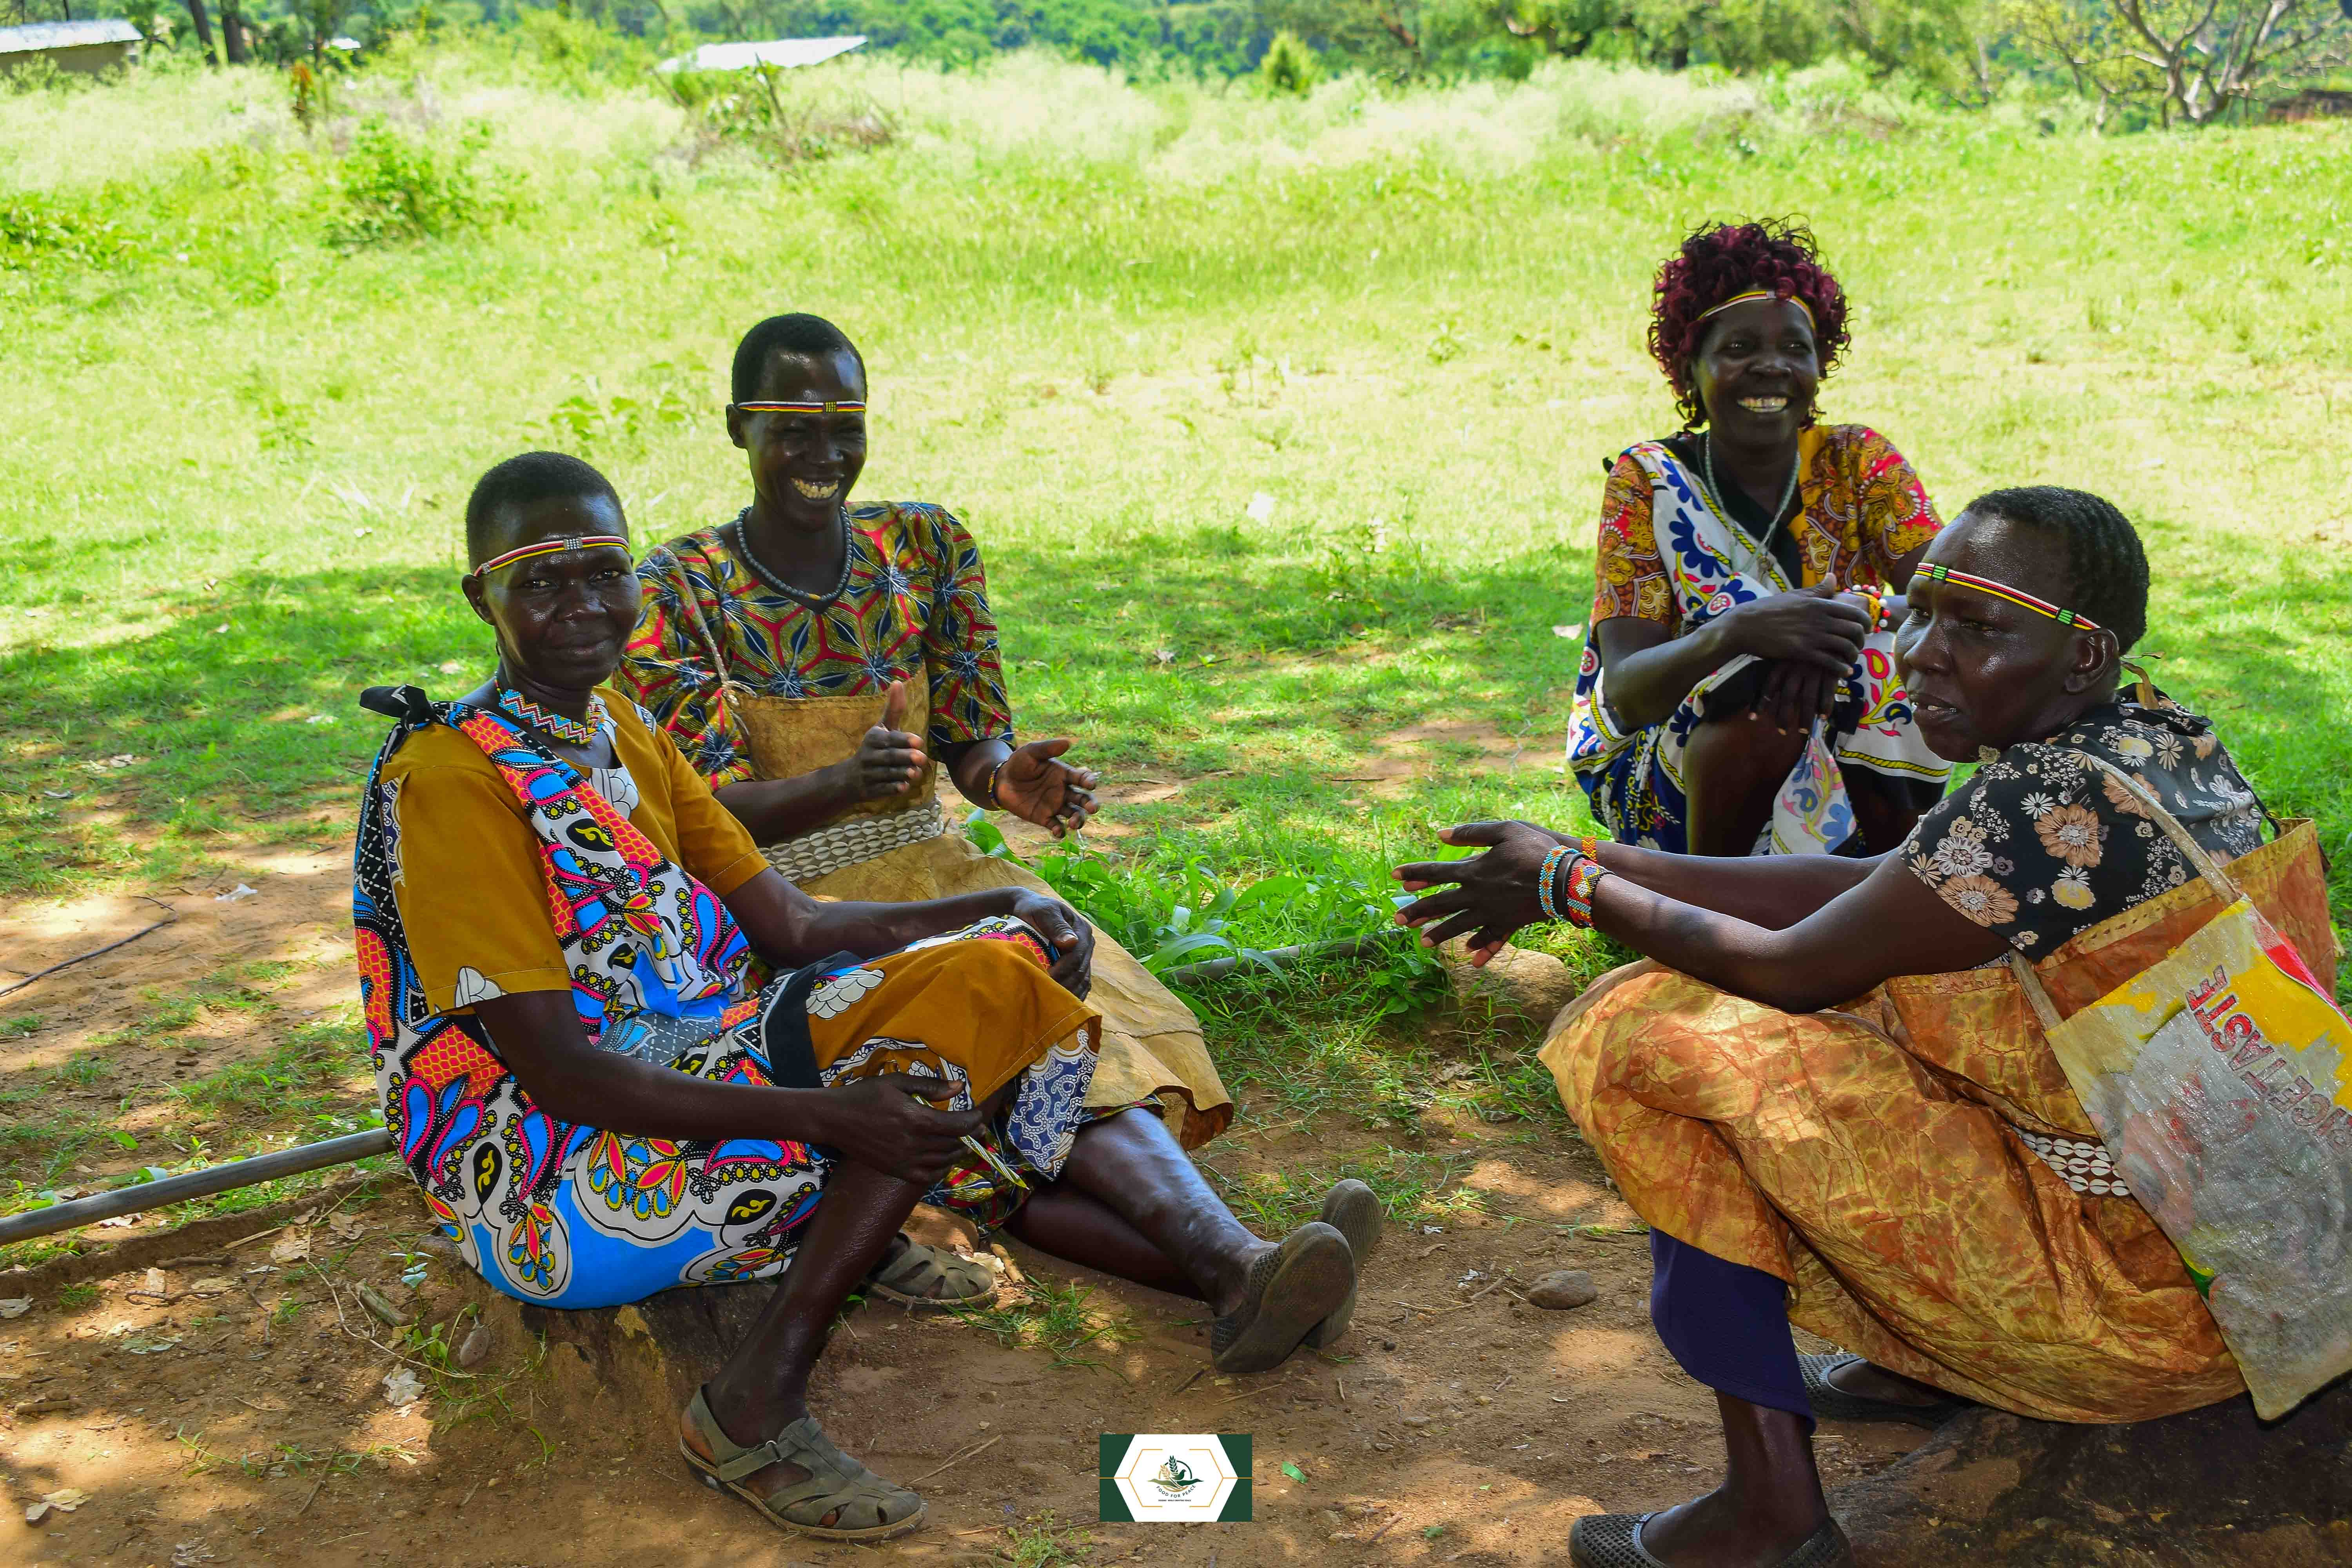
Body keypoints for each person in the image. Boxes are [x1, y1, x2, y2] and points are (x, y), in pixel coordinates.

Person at [352, 452, 1380, 1543]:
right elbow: (560, 1072)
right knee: (909, 1092)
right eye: (541, 577)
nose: (582, 604)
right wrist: (828, 1116)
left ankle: (1239, 1285)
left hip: (693, 1076)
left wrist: (998, 914)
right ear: (483, 597)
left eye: (603, 571)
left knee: (990, 982)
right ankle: (754, 1399)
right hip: (555, 1180)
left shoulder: (619, 730)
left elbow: (791, 926)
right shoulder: (454, 778)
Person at [1394, 488, 2334, 1568]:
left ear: (2083, 657)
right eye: (1920, 609)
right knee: (1892, 1005)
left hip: (2147, 1318)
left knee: (1644, 1030)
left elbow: (1796, 967)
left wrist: (1571, 887)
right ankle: (1922, 1366)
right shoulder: (2149, 741)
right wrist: (1596, 858)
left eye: (1977, 627)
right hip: (2261, 1272)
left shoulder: (2035, 802)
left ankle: (1769, 1513)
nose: (1925, 654)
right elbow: (1867, 886)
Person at [617, 312, 1233, 1189]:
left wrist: (1002, 778)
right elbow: (702, 808)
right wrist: (842, 783)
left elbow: (970, 735)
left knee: (1083, 1013)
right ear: (737, 429)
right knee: (982, 1049)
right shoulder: (679, 587)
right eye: (793, 430)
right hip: (783, 907)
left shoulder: (924, 545)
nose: (823, 455)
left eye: (845, 429)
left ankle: (1229, 1258)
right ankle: (1226, 1256)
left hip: (934, 868)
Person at [1573, 219, 1951, 858]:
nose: (1771, 367)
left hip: (1846, 743)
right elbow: (1628, 690)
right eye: (1740, 347)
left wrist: (1826, 629)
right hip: (1675, 775)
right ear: (1689, 368)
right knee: (1757, 698)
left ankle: (1883, 889)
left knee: (1884, 657)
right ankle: (1709, 915)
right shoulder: (1651, 481)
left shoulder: (1859, 462)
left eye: (1796, 349)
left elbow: (1958, 605)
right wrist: (1741, 633)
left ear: (1819, 364)